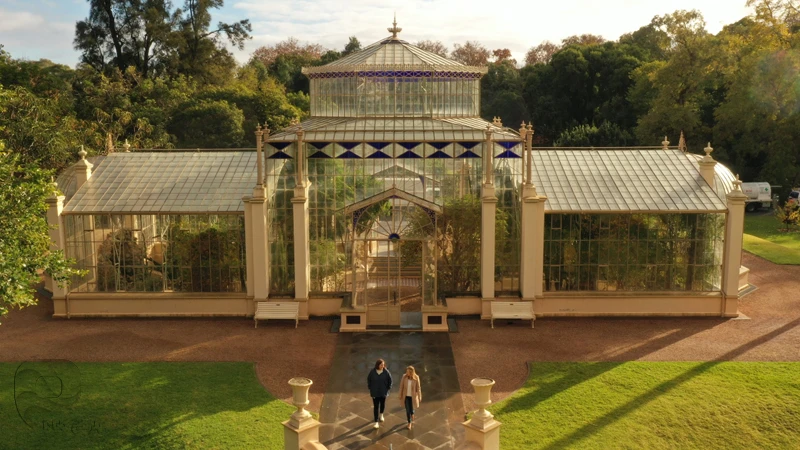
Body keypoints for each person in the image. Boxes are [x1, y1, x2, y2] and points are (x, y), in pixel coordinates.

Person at [367, 358, 392, 429]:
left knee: (382, 404)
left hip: (383, 392)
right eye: (381, 365)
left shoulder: (386, 372)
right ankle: (376, 422)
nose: (382, 366)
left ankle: (381, 414)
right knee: (376, 406)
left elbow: (390, 380)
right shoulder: (372, 372)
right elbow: (369, 379)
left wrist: (388, 388)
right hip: (375, 392)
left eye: (383, 365)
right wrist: (370, 388)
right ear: (377, 365)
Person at [398, 365, 422, 430]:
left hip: (413, 396)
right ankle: (409, 422)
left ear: (411, 372)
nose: (406, 373)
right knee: (407, 410)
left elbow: (418, 388)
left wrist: (419, 396)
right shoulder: (404, 377)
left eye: (408, 372)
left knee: (412, 408)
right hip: (406, 396)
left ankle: (412, 413)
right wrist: (400, 395)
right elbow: (401, 386)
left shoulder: (416, 378)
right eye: (406, 371)